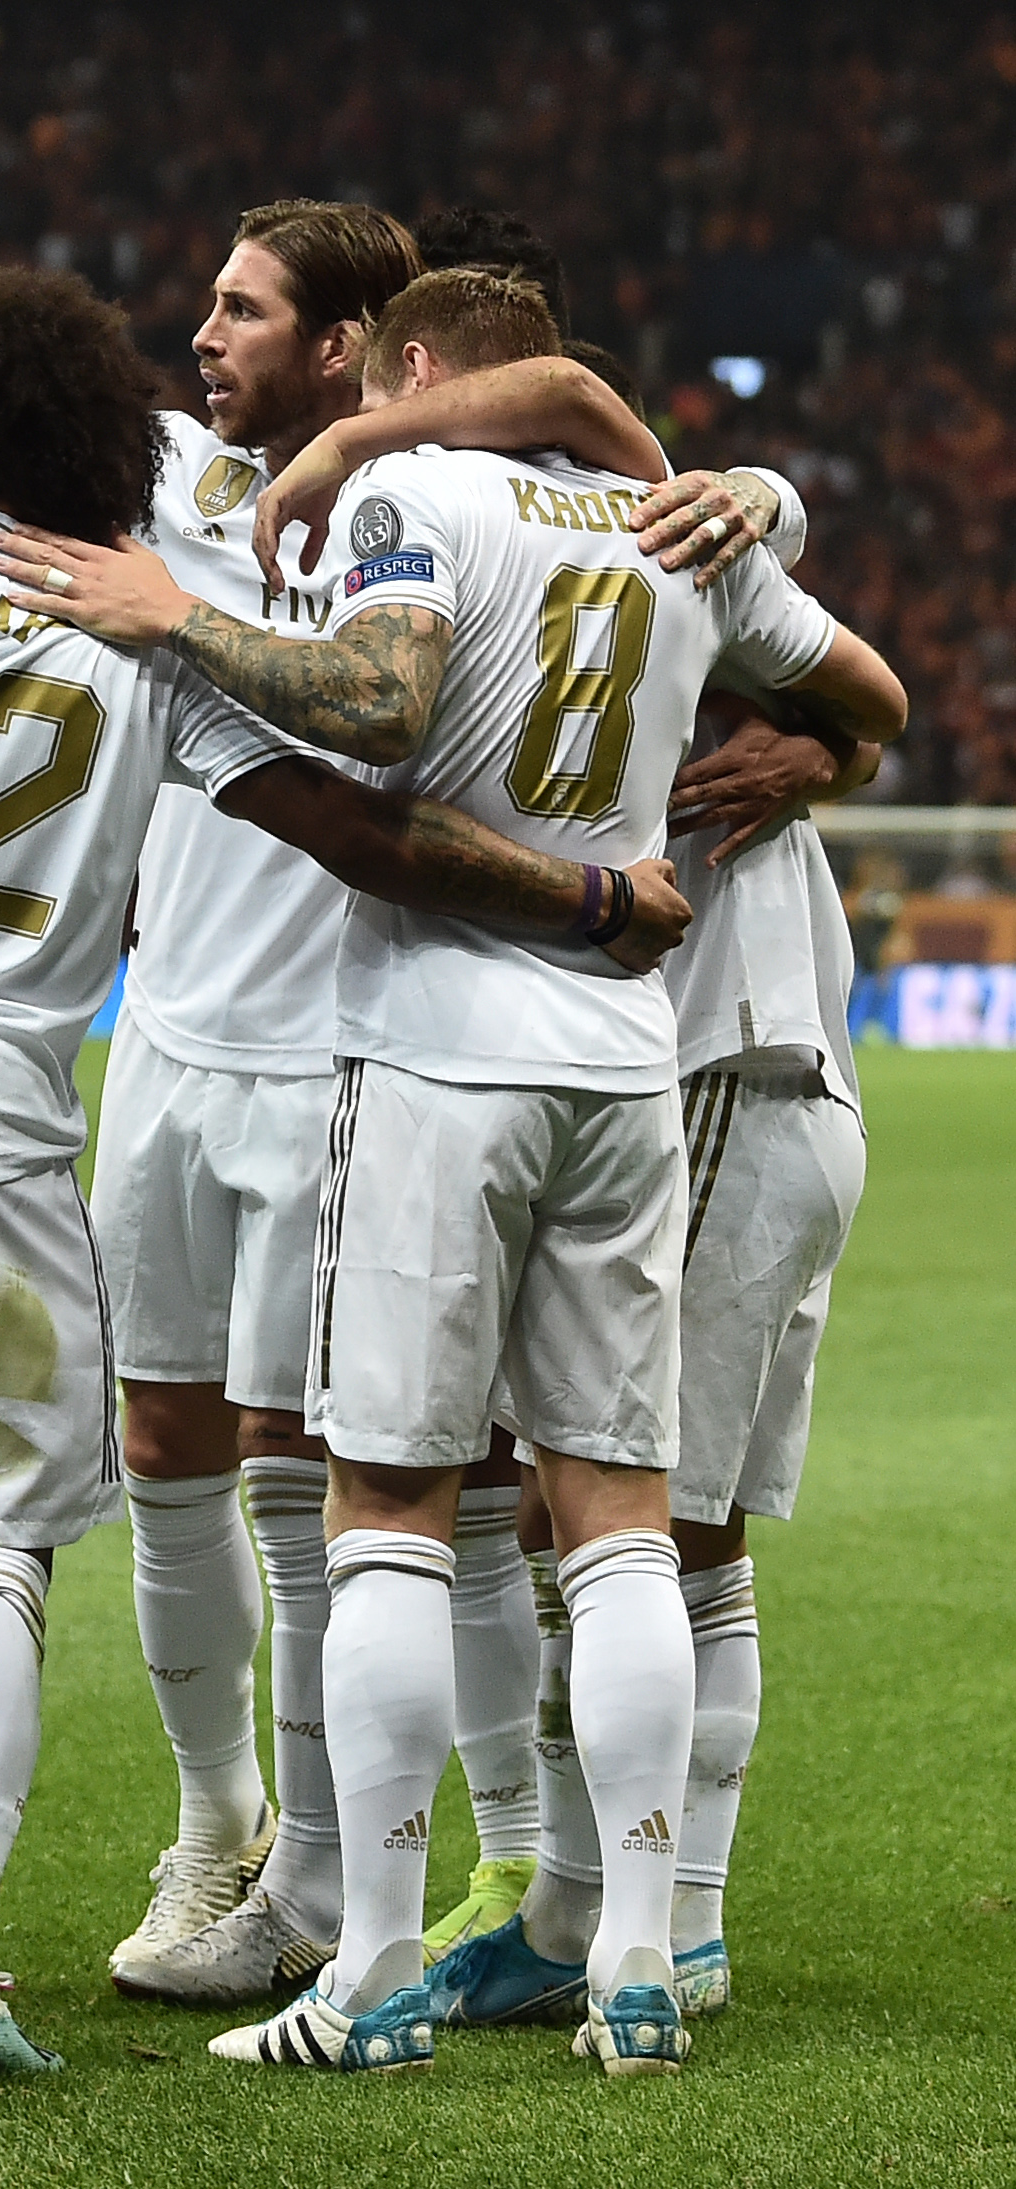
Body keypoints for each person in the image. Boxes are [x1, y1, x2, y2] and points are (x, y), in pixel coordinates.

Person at [0, 113, 763, 2007]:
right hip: (163, 1040)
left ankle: (346, 1868)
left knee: (335, 1481)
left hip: (340, 1042)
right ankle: (224, 1823)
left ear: (351, 345)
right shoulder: (136, 470)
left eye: (242, 310)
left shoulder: (409, 505)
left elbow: (569, 536)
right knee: (164, 1453)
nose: (202, 337)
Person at [0, 266, 906, 2074]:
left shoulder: (415, 494)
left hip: (442, 1049)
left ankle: (378, 1970)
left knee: (393, 1505)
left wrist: (176, 613)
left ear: (411, 366)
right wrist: (815, 733)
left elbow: (386, 704)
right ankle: (643, 1958)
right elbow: (863, 688)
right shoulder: (673, 523)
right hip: (628, 1060)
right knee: (622, 1519)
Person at [423, 684, 879, 2032]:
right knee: (645, 1534)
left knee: (623, 1534)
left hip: (729, 1072)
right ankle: (636, 1912)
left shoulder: (676, 541)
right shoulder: (607, 587)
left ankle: (637, 1921)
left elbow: (768, 535)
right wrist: (841, 746)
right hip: (729, 1086)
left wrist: (841, 739)